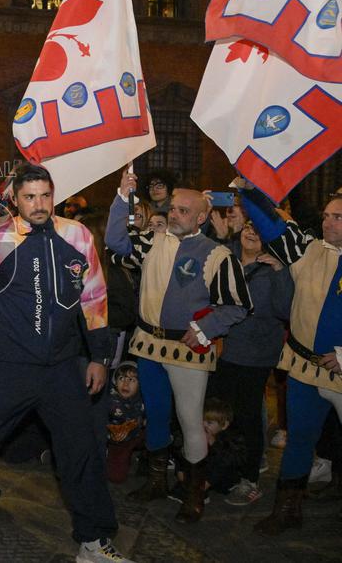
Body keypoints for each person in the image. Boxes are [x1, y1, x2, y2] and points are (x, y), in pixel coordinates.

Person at [0, 164, 130, 563]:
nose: (38, 205)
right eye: (30, 197)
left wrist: (98, 356)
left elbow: (94, 298)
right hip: (8, 367)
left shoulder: (76, 235)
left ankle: (91, 539)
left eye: (45, 196)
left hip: (61, 368)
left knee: (80, 450)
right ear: (15, 200)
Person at [107, 171, 251, 524]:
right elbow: (116, 241)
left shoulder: (217, 255)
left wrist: (204, 329)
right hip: (148, 344)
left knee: (190, 420)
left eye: (183, 211)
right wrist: (120, 196)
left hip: (188, 350)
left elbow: (237, 304)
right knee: (155, 413)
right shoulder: (153, 241)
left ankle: (193, 493)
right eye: (172, 209)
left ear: (202, 217)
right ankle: (158, 482)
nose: (174, 215)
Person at [239, 185, 342, 535]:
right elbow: (271, 225)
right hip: (302, 367)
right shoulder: (307, 248)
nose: (328, 223)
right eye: (327, 216)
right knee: (299, 438)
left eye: (338, 217)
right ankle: (287, 509)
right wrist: (249, 187)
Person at [207, 221, 292, 506]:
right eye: (247, 226)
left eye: (258, 229)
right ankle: (221, 469)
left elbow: (284, 310)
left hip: (255, 354)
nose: (251, 232)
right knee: (217, 411)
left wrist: (280, 273)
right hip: (221, 348)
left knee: (247, 416)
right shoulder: (225, 255)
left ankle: (249, 477)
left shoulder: (275, 267)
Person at [169, 398, 247, 504]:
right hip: (201, 473)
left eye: (209, 423)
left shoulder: (230, 439)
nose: (203, 425)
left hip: (223, 479)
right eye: (201, 421)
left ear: (224, 425)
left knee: (219, 463)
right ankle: (186, 484)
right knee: (184, 453)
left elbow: (231, 460)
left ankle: (198, 489)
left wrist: (213, 444)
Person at [106, 362, 145, 484]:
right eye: (121, 378)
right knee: (116, 478)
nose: (125, 383)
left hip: (137, 434)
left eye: (131, 380)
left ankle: (145, 459)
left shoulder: (143, 397)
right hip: (118, 441)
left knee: (156, 434)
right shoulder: (111, 400)